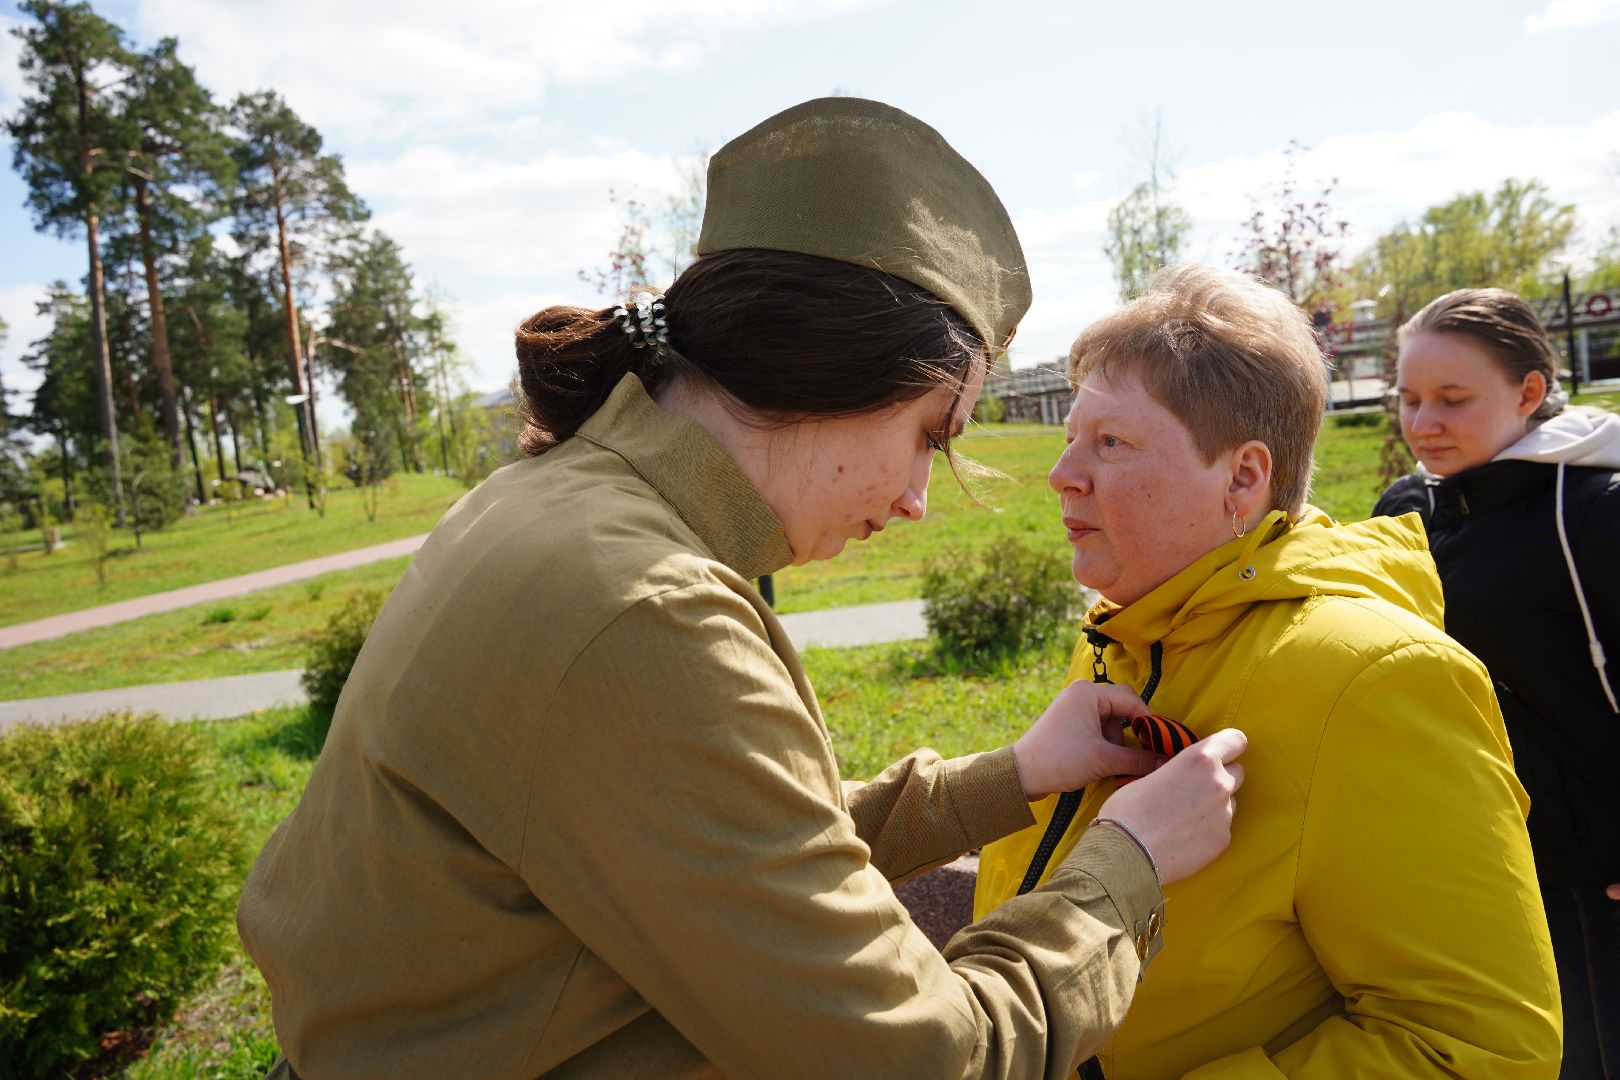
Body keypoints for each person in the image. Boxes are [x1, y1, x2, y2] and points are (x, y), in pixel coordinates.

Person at [236, 98, 1248, 1079]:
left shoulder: (555, 503)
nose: (914, 500)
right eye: (928, 437)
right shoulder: (651, 609)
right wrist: (1128, 865)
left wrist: (1015, 772)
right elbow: (927, 1058)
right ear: (836, 372)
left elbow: (716, 848)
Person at [974, 264, 1562, 1077]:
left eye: (1110, 442)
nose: (1063, 473)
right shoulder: (1131, 635)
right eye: (1072, 435)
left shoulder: (1379, 677)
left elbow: (1476, 1048)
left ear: (1243, 479)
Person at [1374, 287, 1620, 1077]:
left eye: (1453, 400)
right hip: (1472, 860)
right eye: (1408, 400)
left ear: (1530, 392)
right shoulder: (1407, 509)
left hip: (1593, 870)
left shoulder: (1589, 507)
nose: (1422, 424)